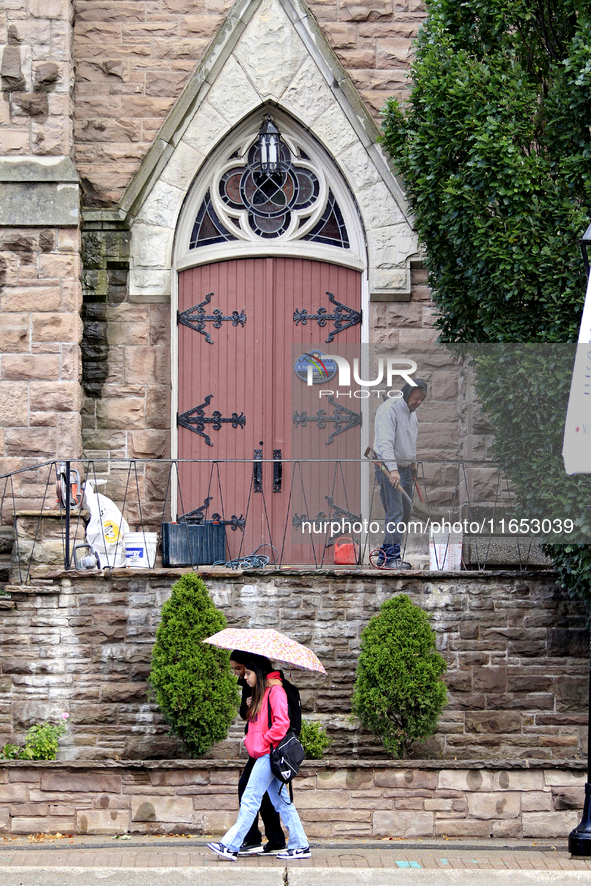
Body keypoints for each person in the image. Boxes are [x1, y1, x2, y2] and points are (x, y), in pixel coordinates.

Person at [207, 656, 310, 862]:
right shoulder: (262, 694)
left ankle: (230, 845)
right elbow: (260, 722)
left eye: (247, 673)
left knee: (250, 798)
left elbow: (281, 724)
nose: (244, 677)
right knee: (281, 802)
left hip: (268, 754)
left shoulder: (276, 692)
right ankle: (300, 845)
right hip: (263, 752)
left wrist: (263, 741)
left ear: (259, 673)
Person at [229, 650, 286, 855]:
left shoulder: (274, 688)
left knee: (250, 789)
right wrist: (250, 706)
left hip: (267, 747)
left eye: (239, 669)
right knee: (274, 795)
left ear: (250, 667)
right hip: (258, 745)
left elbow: (280, 721)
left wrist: (264, 741)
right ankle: (276, 839)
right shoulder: (248, 684)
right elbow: (245, 714)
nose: (238, 674)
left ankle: (250, 839)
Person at [373, 378, 428, 568]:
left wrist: (412, 461)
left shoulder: (412, 413)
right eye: (416, 398)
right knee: (395, 511)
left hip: (404, 468)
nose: (419, 402)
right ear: (406, 394)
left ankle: (386, 556)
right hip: (389, 467)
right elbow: (385, 442)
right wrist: (393, 469)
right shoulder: (390, 410)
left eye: (422, 399)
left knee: (404, 512)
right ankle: (392, 559)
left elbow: (411, 437)